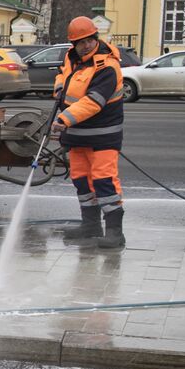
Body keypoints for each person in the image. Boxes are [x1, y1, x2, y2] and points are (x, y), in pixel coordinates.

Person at [51, 16, 126, 249]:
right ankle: (90, 225)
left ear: (96, 37)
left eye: (89, 40)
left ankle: (115, 232)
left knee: (104, 181)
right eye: (80, 42)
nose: (85, 45)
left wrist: (64, 118)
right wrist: (59, 87)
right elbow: (64, 74)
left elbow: (94, 102)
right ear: (73, 44)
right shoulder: (72, 58)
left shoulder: (107, 66)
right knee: (81, 180)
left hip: (102, 136)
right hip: (77, 135)